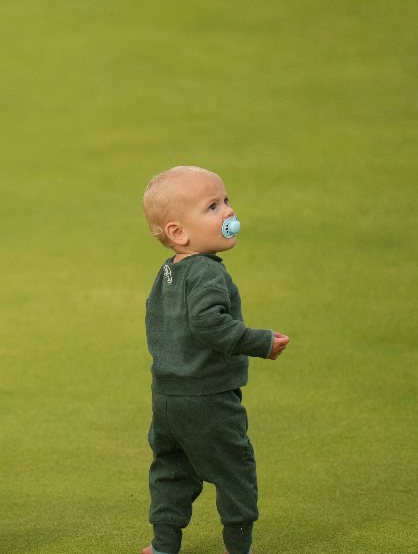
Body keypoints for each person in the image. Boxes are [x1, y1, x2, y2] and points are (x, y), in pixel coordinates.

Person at [140, 166, 290, 554]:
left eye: (225, 201)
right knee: (235, 470)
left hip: (167, 399)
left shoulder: (167, 274)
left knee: (171, 472)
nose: (228, 213)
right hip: (209, 398)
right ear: (178, 232)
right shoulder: (207, 273)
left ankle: (163, 546)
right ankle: (238, 548)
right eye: (212, 207)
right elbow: (209, 324)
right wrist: (260, 342)